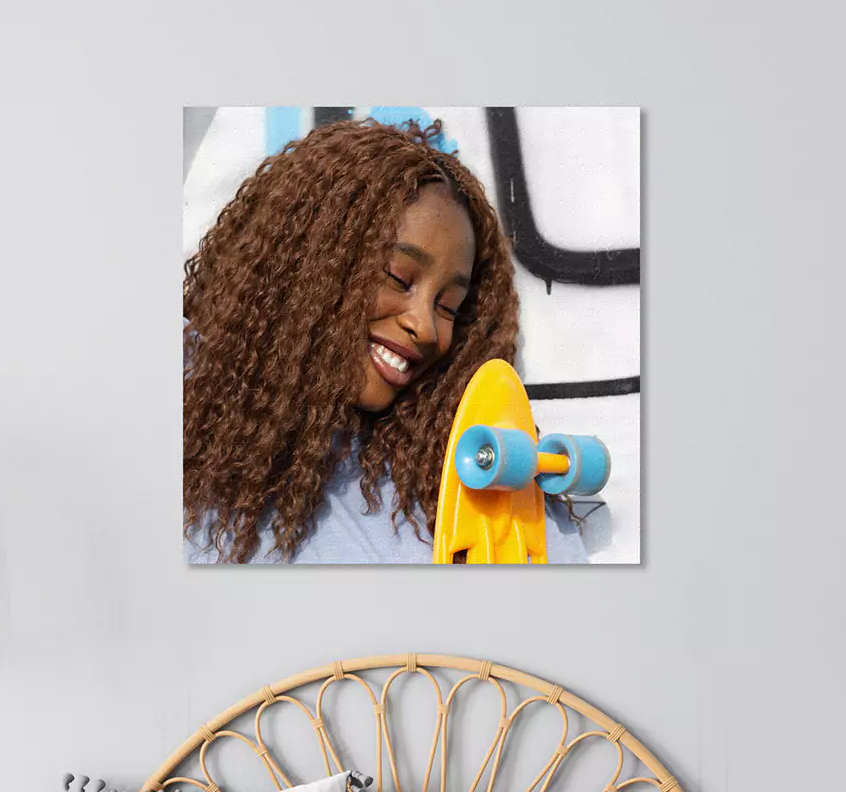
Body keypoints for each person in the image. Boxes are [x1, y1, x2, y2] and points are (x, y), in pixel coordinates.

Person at [182, 117, 588, 564]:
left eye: (448, 306)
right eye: (398, 278)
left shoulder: (456, 484)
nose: (426, 326)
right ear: (307, 262)